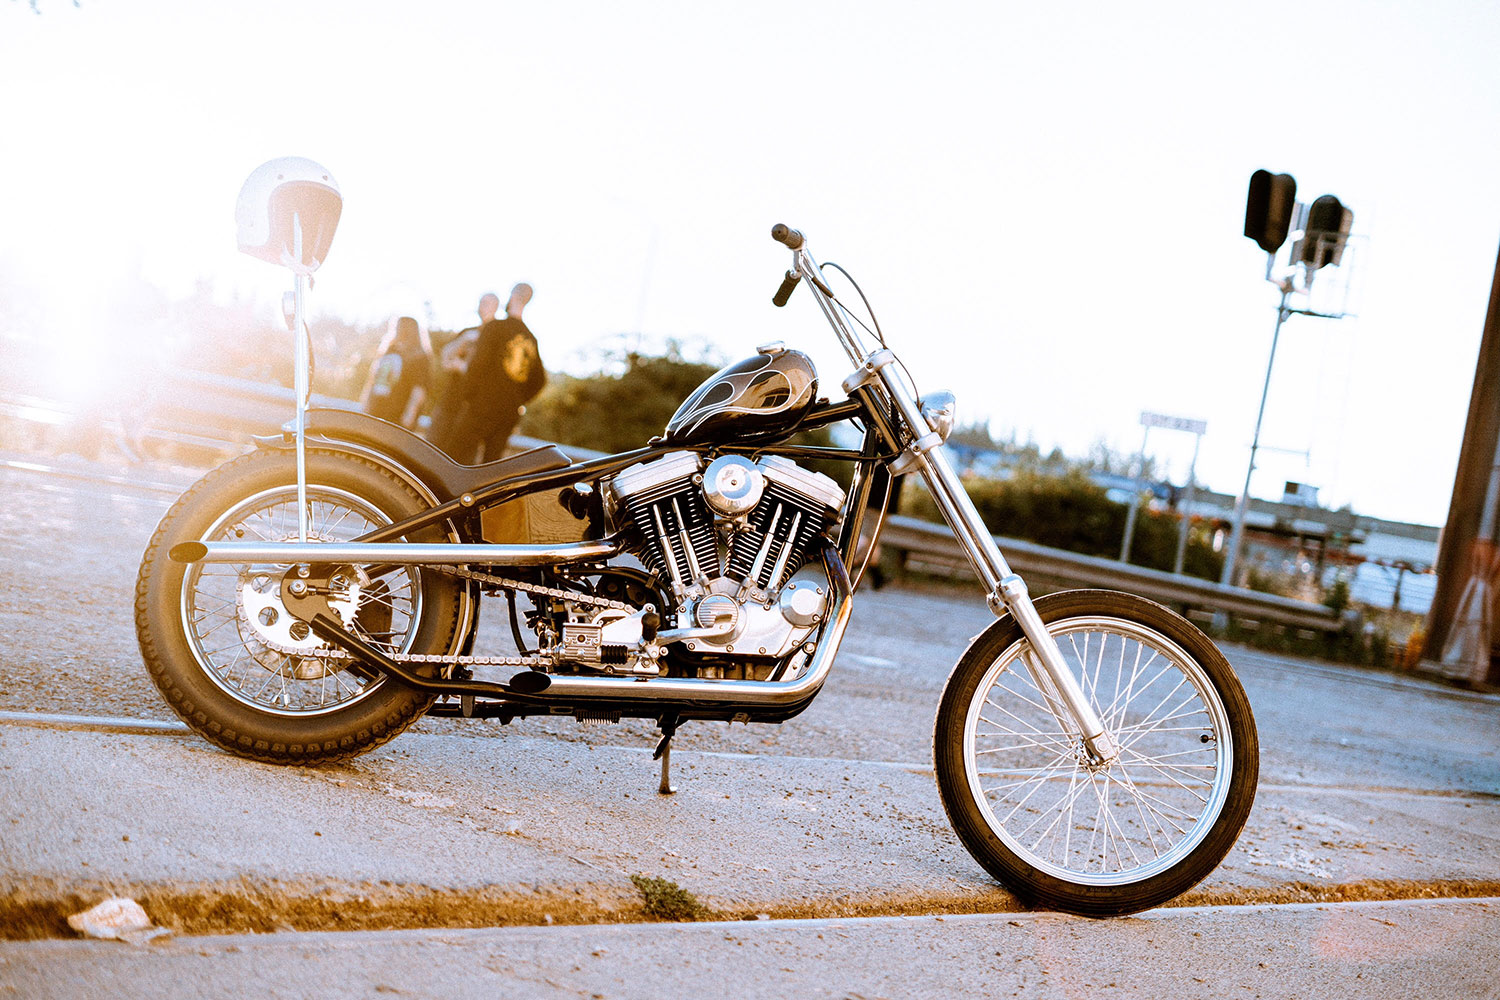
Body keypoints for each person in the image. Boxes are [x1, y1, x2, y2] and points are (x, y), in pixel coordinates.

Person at [429, 283, 545, 463]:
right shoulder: (531, 338)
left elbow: (478, 366)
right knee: (491, 463)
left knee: (454, 456)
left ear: (512, 296)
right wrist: (517, 399)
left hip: (481, 406)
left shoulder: (495, 328)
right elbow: (539, 380)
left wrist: (469, 396)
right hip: (508, 413)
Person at [360, 315, 433, 428]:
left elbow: (419, 388)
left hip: (397, 413)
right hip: (377, 407)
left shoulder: (419, 356)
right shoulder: (389, 350)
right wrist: (367, 401)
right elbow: (374, 378)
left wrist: (410, 413)